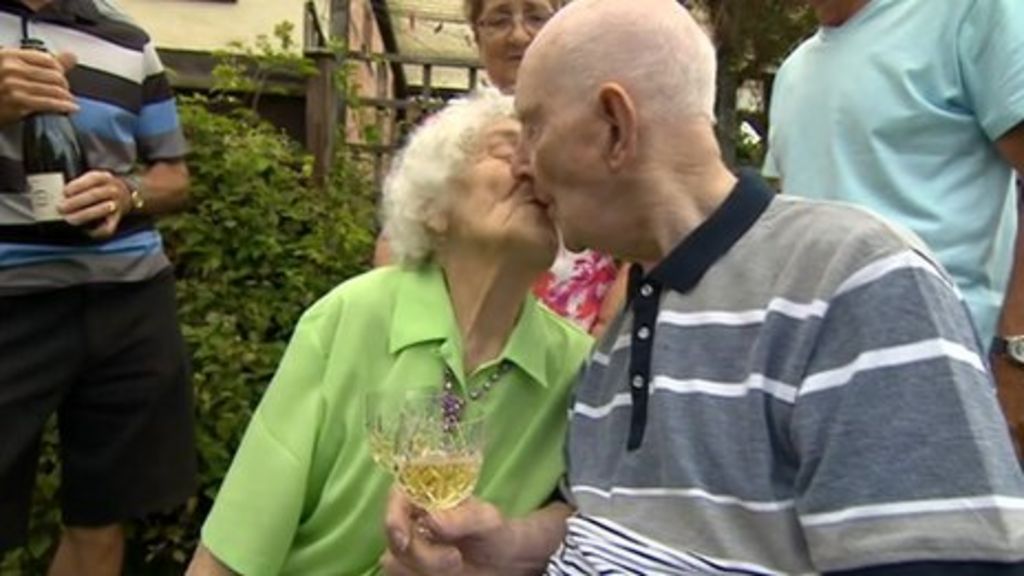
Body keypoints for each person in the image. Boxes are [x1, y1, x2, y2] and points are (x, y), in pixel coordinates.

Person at [381, 0, 1024, 573]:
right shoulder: (614, 346)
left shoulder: (858, 286)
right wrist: (516, 544)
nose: (522, 162)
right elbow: (620, 524)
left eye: (535, 126)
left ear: (614, 126)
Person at [185, 89, 593, 576]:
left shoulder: (580, 369)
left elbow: (610, 524)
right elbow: (235, 547)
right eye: (508, 152)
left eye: (546, 162)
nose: (533, 170)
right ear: (434, 206)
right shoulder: (350, 318)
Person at [764, 0, 1024, 456]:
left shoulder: (969, 12)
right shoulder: (793, 73)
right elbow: (786, 234)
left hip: (956, 394)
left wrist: (1018, 354)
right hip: (822, 407)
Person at [0, 1, 195, 575]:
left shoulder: (128, 40)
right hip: (8, 298)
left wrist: (127, 192)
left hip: (130, 299)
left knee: (103, 517)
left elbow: (172, 174)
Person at [375, 0, 627, 338]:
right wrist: (403, 328)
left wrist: (606, 327)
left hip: (576, 345)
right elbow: (401, 237)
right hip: (460, 341)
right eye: (499, 19)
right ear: (476, 37)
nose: (519, 35)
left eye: (536, 16)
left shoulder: (602, 127)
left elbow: (647, 234)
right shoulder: (447, 132)